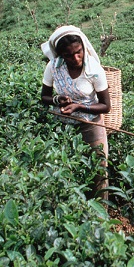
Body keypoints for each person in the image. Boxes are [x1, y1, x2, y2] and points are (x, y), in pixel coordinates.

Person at [40, 26, 111, 198]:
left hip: (91, 123)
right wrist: (59, 100)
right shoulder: (53, 68)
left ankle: (100, 215)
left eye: (78, 52)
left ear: (83, 47)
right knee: (65, 168)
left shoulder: (94, 70)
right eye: (69, 55)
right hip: (63, 125)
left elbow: (105, 106)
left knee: (98, 169)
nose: (76, 58)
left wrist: (79, 107)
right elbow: (44, 97)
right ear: (61, 55)